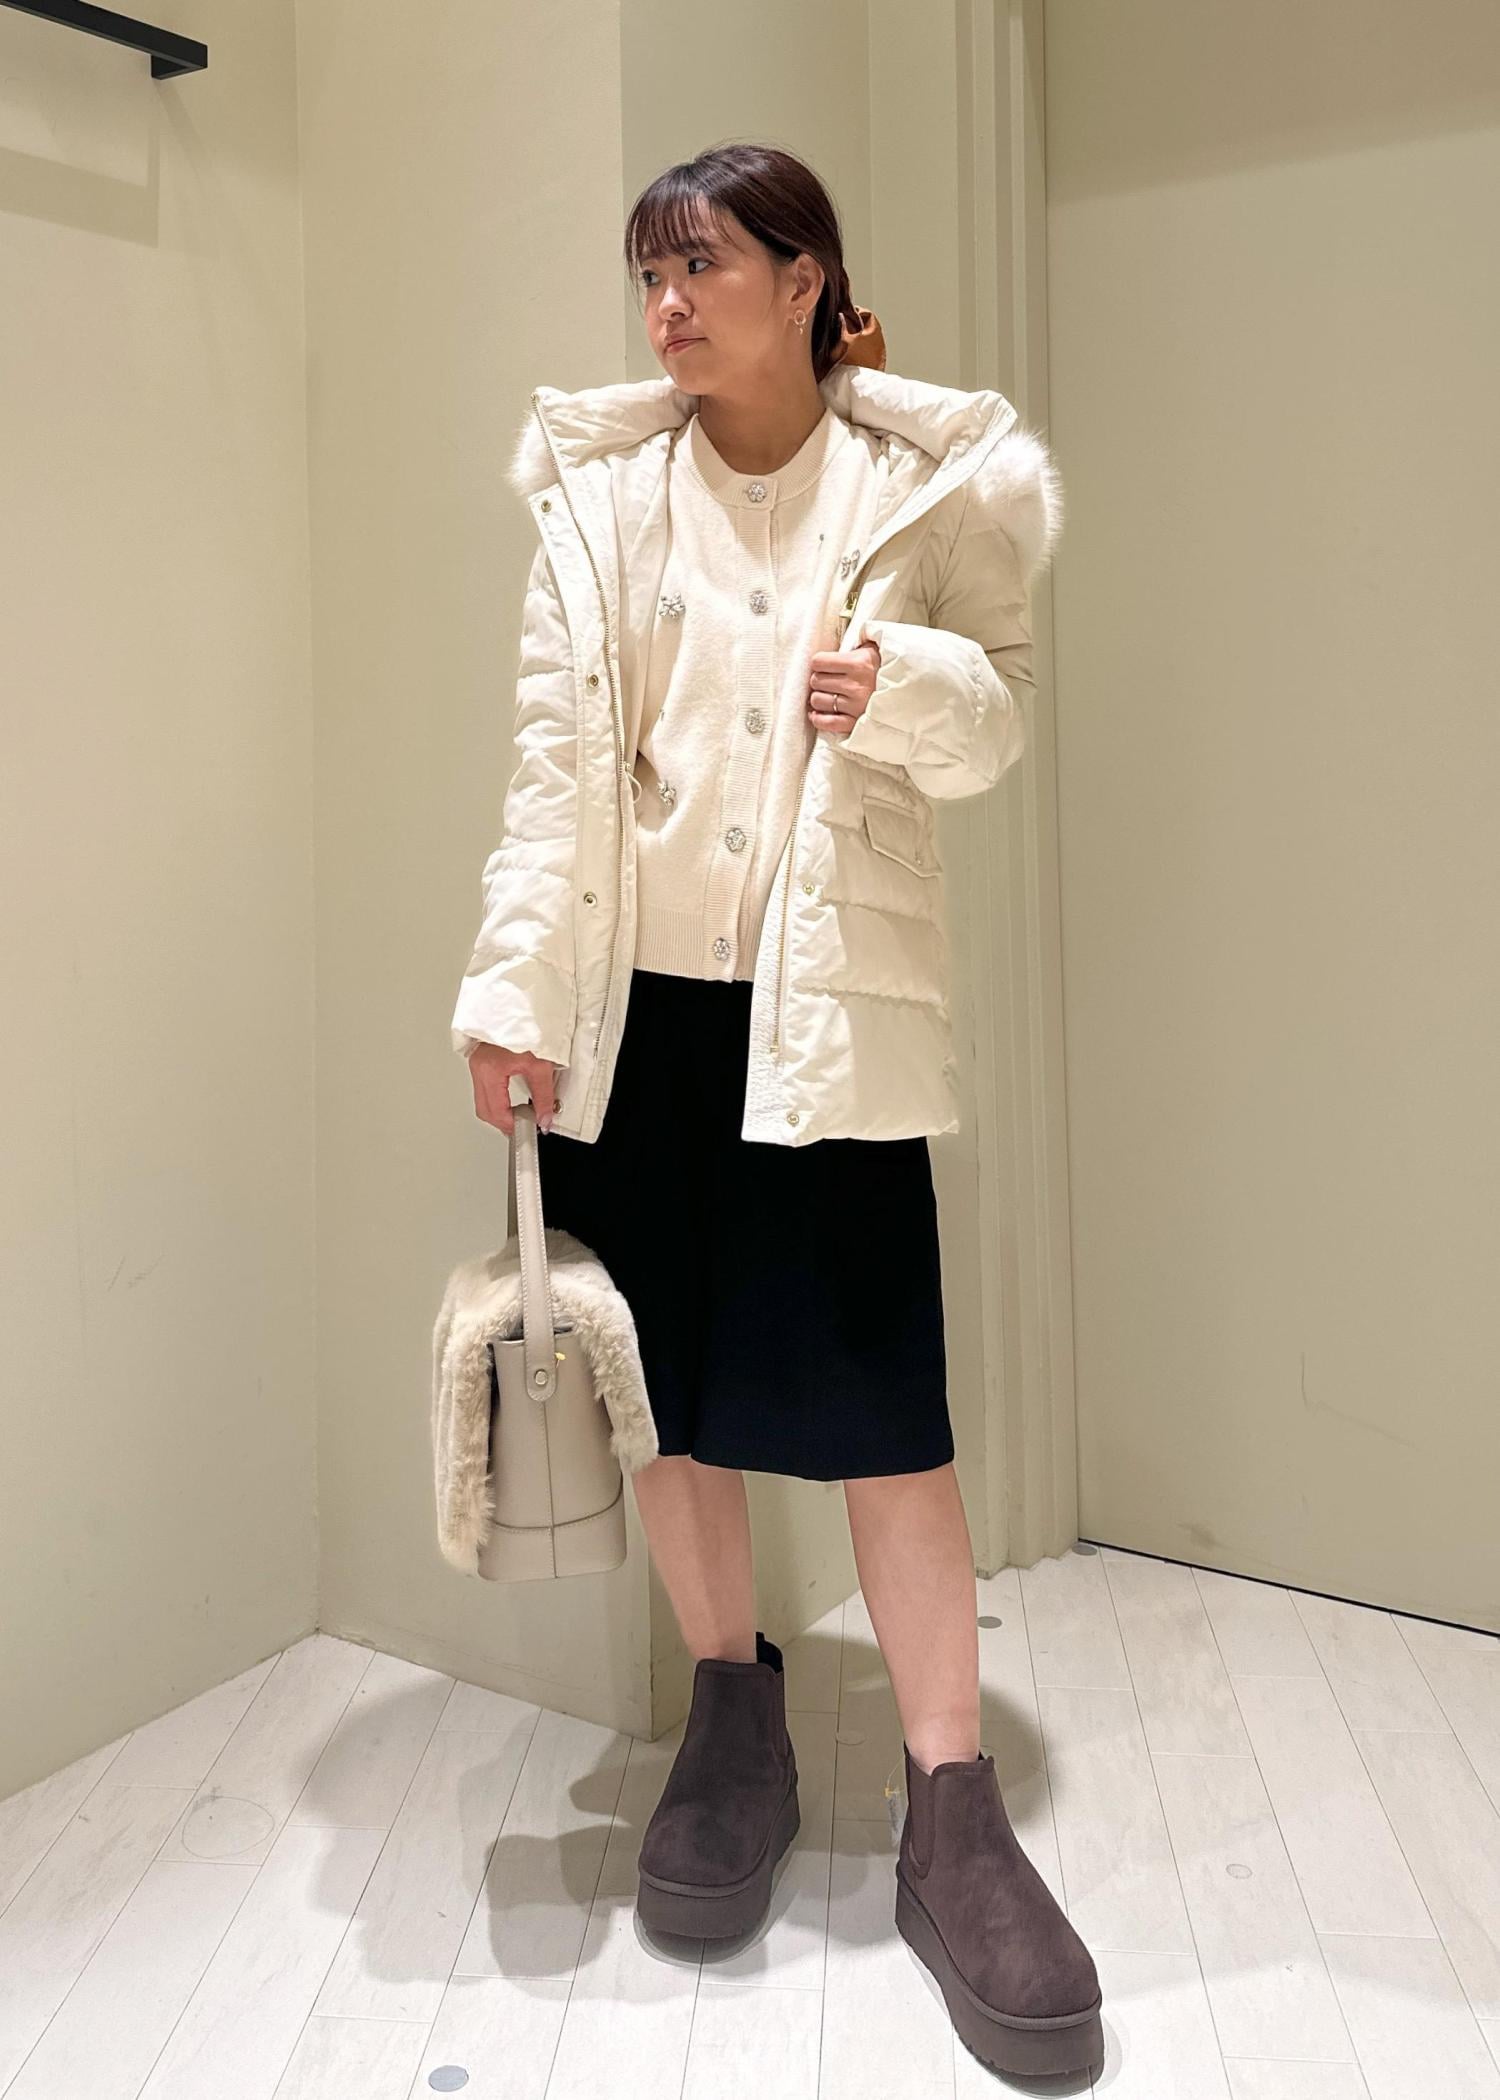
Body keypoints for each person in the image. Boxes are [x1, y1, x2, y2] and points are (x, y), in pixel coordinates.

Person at [451, 142, 1102, 2082]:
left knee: (888, 1418)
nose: (666, 303)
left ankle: (952, 1803)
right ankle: (730, 1716)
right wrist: (508, 996)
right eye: (648, 272)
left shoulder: (929, 484)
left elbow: (999, 717)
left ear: (807, 279)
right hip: (628, 1023)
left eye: (704, 265)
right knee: (666, 1397)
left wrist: (894, 682)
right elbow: (550, 772)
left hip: (827, 1023)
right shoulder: (600, 495)